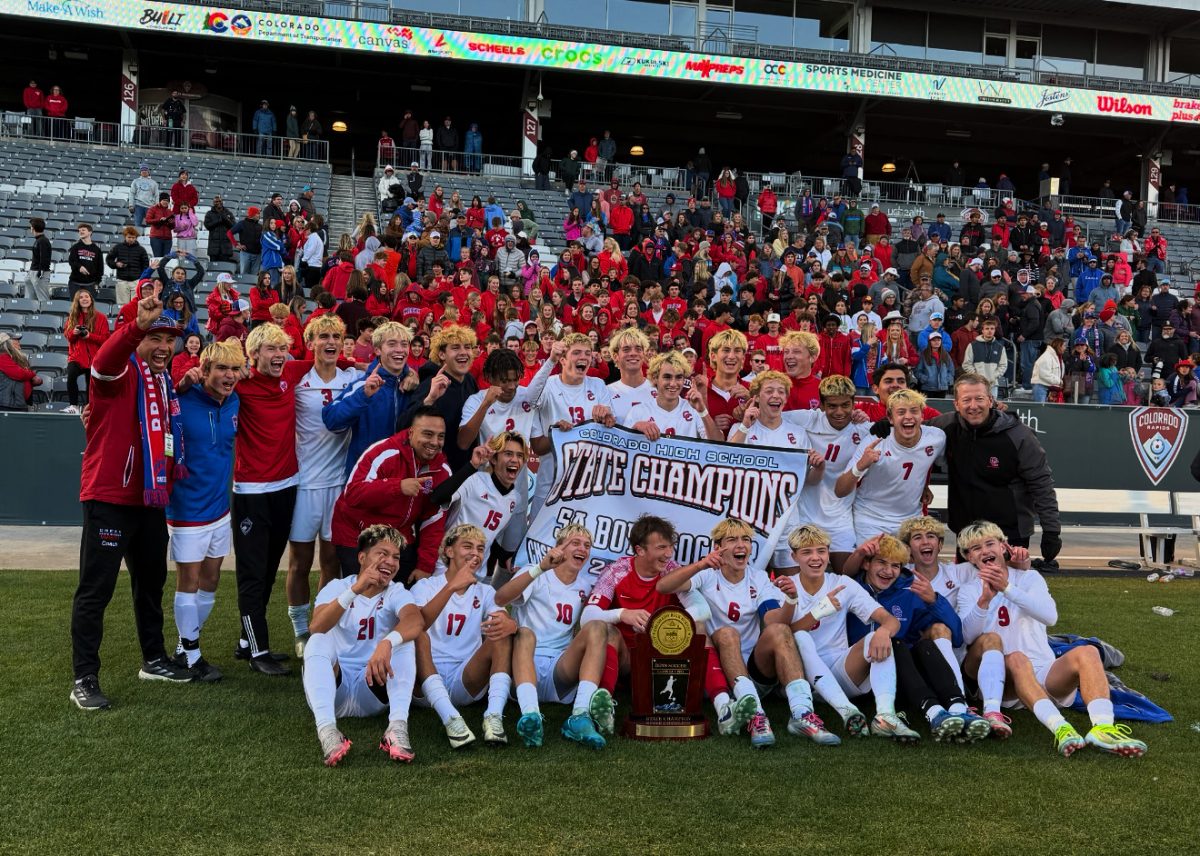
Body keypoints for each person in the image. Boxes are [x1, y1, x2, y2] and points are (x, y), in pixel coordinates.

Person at [70, 297, 194, 710]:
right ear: (137, 338)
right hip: (109, 497)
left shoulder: (163, 381)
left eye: (168, 339)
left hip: (149, 497)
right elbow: (103, 361)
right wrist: (134, 328)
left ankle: (154, 658)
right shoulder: (119, 373)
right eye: (154, 337)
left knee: (151, 584)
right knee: (96, 591)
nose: (163, 346)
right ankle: (84, 677)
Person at [957, 521, 1146, 757]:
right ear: (968, 557)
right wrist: (984, 600)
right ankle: (1061, 728)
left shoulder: (1029, 578)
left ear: (1003, 546)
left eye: (989, 544)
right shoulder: (969, 590)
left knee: (1087, 651)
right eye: (976, 548)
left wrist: (1007, 588)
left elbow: (1050, 617)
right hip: (1005, 682)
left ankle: (1103, 728)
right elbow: (967, 637)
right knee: (1017, 658)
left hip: (1045, 672)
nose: (985, 551)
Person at [658, 519, 839, 748]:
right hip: (719, 675)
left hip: (755, 671)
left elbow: (774, 620)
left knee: (781, 631)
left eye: (746, 540)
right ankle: (755, 716)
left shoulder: (759, 578)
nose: (741, 545)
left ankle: (802, 713)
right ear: (718, 547)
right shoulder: (707, 574)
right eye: (732, 540)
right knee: (727, 634)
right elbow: (663, 586)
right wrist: (701, 565)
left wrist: (791, 600)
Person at [776, 524, 918, 741]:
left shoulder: (843, 583)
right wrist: (818, 611)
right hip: (801, 677)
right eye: (807, 552)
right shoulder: (786, 586)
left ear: (828, 554)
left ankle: (885, 716)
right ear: (794, 557)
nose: (816, 558)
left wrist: (884, 632)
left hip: (840, 670)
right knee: (800, 637)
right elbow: (781, 635)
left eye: (821, 551)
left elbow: (889, 620)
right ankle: (847, 711)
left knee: (877, 638)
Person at [302, 524, 425, 766]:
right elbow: (316, 626)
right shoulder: (337, 587)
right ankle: (327, 731)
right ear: (362, 557)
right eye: (382, 553)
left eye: (396, 557)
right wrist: (355, 590)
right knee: (318, 639)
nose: (390, 561)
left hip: (372, 687)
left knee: (403, 641)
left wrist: (387, 642)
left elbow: (415, 620)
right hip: (334, 689)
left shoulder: (396, 591)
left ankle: (397, 728)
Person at [231, 324, 312, 675]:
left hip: (286, 487)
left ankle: (248, 642)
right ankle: (257, 649)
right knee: (251, 573)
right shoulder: (240, 380)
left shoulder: (291, 372)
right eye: (270, 349)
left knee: (267, 570)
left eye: (283, 348)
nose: (279, 355)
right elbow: (204, 372)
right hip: (250, 492)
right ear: (254, 354)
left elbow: (326, 360)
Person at [493, 524, 613, 748]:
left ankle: (580, 716)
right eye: (575, 543)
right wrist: (540, 568)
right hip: (524, 663)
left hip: (560, 670)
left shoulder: (585, 585)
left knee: (597, 627)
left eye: (587, 545)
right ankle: (531, 715)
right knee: (526, 633)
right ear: (559, 547)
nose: (583, 549)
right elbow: (500, 598)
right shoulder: (535, 571)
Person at [165, 339, 243, 683]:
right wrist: (179, 382)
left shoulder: (235, 400)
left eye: (234, 369)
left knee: (211, 580)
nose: (229, 375)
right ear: (205, 370)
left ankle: (184, 647)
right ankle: (192, 655)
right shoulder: (179, 400)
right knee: (189, 581)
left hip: (219, 509)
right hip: (186, 509)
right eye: (222, 369)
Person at [930, 374, 1061, 566]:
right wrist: (885, 426)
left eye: (979, 399)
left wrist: (1051, 530)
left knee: (1006, 592)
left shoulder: (1019, 435)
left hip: (1009, 533)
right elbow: (909, 428)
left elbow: (1041, 483)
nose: (973, 406)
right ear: (956, 404)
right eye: (966, 400)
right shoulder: (945, 426)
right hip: (967, 534)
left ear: (991, 400)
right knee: (968, 593)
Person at [286, 315, 360, 657]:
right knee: (300, 561)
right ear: (310, 342)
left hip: (338, 485)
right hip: (304, 484)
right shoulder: (299, 381)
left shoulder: (353, 377)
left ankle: (322, 624)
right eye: (323, 336)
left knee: (331, 560)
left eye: (336, 336)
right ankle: (300, 629)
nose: (330, 342)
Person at [410, 524, 514, 746]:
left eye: (480, 548)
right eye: (467, 546)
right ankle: (451, 719)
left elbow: (503, 621)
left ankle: (493, 716)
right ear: (449, 551)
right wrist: (450, 588)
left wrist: (510, 624)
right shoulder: (426, 586)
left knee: (501, 633)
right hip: (424, 682)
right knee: (417, 633)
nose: (475, 554)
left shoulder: (485, 590)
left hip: (466, 679)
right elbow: (417, 624)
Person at [330, 406, 452, 582]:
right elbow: (353, 493)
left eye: (441, 436)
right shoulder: (384, 452)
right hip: (358, 535)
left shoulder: (442, 471)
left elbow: (433, 520)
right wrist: (398, 487)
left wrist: (425, 566)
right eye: (428, 434)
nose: (435, 442)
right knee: (362, 598)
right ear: (411, 433)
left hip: (399, 536)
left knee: (401, 596)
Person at [836, 388, 946, 545]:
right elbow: (840, 490)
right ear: (890, 418)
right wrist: (860, 465)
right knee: (878, 567)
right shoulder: (875, 441)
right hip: (871, 520)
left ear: (922, 415)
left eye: (914, 411)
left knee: (921, 564)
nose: (908, 416)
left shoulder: (936, 438)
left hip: (911, 520)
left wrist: (924, 486)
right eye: (901, 412)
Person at [780, 375, 867, 571]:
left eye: (846, 405)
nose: (839, 412)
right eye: (832, 406)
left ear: (854, 403)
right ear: (821, 405)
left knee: (846, 575)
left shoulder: (862, 430)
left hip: (840, 517)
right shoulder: (806, 419)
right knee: (802, 580)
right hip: (804, 515)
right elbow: (770, 417)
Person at [529, 333, 615, 518]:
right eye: (576, 353)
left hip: (587, 482)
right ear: (562, 359)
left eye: (587, 353)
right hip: (552, 480)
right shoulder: (549, 385)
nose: (583, 357)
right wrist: (550, 361)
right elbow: (529, 400)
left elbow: (610, 429)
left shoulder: (598, 385)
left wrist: (607, 417)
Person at [323, 321, 418, 474]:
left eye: (404, 344)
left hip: (403, 477)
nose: (399, 350)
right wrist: (364, 395)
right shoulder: (362, 385)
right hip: (366, 476)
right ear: (378, 350)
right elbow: (331, 420)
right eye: (392, 344)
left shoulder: (413, 386)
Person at [623, 351, 721, 441]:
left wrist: (702, 411)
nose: (673, 383)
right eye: (667, 377)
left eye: (679, 377)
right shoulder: (638, 411)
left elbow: (719, 445)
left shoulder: (694, 409)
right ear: (655, 378)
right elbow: (621, 448)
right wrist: (635, 428)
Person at [64, 289, 110, 414]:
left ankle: (90, 407)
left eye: (87, 297)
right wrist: (74, 333)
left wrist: (89, 336)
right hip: (77, 356)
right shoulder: (72, 317)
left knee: (91, 383)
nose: (84, 299)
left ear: (91, 299)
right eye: (81, 297)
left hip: (95, 358)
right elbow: (68, 337)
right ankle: (73, 405)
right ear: (77, 301)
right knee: (71, 375)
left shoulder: (101, 317)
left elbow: (106, 339)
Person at [106, 226, 150, 307]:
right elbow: (109, 259)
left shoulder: (141, 250)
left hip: (136, 281)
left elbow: (146, 265)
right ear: (125, 236)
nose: (131, 239)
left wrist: (142, 279)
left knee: (136, 305)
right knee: (123, 306)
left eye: (133, 237)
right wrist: (116, 264)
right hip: (122, 280)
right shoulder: (118, 247)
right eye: (129, 237)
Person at [0, 332, 41, 411]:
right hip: (8, 404)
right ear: (8, 343)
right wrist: (32, 375)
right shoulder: (2, 357)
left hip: (19, 402)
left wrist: (33, 380)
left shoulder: (20, 358)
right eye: (15, 340)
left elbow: (24, 376)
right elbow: (20, 374)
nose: (19, 343)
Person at [67, 223, 103, 297]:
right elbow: (71, 261)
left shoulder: (96, 249)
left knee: (89, 307)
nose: (81, 232)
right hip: (75, 284)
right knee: (75, 307)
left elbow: (100, 268)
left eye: (83, 230)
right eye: (79, 230)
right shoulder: (75, 247)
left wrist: (97, 282)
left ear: (90, 232)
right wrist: (79, 267)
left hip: (91, 284)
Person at [26, 216, 52, 303]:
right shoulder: (39, 240)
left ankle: (45, 315)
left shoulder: (43, 241)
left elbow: (44, 258)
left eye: (31, 226)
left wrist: (41, 272)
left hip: (39, 273)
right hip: (33, 271)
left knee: (43, 299)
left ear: (32, 228)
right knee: (30, 297)